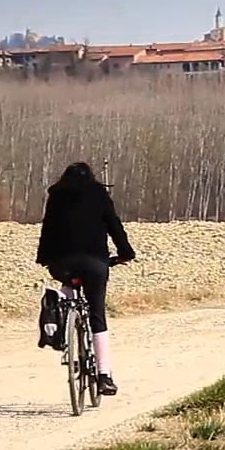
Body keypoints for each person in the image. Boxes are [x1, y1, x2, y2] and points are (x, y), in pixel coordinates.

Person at [37, 163, 135, 397]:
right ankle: (104, 375)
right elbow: (114, 225)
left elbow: (48, 229)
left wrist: (44, 258)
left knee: (68, 284)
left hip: (62, 263)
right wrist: (125, 253)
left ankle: (61, 315)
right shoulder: (99, 194)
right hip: (95, 263)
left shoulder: (56, 196)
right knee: (97, 315)